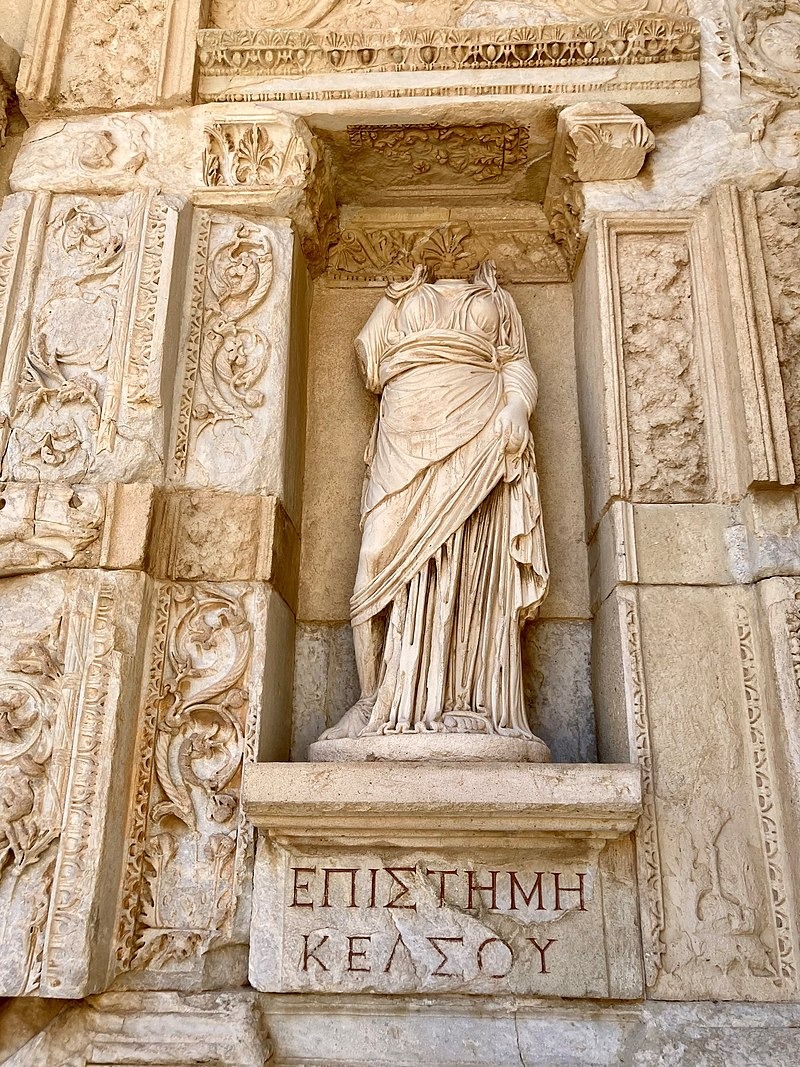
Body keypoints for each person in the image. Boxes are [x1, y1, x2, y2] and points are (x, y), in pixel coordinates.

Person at [319, 261, 549, 743]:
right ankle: (372, 700)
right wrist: (398, 304)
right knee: (375, 555)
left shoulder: (496, 297)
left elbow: (516, 363)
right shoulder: (400, 293)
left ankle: (464, 698)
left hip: (480, 425)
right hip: (404, 431)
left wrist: (515, 407)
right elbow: (369, 359)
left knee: (468, 561)